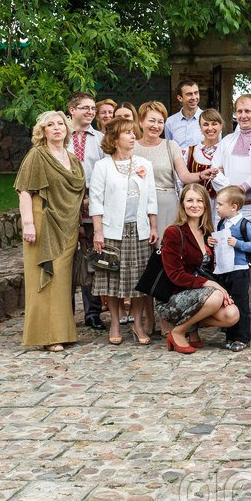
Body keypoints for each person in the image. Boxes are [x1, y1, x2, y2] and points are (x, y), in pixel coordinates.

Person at [16, 110, 84, 351]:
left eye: (60, 124)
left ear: (67, 130)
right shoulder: (37, 156)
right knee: (44, 279)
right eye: (50, 125)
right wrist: (28, 224)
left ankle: (63, 331)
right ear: (42, 131)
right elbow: (25, 191)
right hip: (42, 221)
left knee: (63, 281)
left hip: (67, 226)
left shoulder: (71, 158)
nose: (57, 128)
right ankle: (46, 335)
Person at [89, 117, 158, 346]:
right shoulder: (103, 166)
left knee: (138, 281)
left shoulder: (143, 164)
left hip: (139, 230)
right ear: (115, 138)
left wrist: (154, 226)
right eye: (127, 133)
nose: (132, 137)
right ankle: (115, 323)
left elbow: (151, 198)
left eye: (133, 132)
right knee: (113, 280)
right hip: (112, 232)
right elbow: (96, 201)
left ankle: (138, 325)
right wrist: (98, 232)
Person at [212, 96, 251, 334]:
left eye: (248, 110)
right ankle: (235, 313)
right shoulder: (226, 141)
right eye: (239, 111)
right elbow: (215, 171)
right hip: (230, 209)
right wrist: (230, 190)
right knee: (232, 260)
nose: (243, 115)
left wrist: (246, 185)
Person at [157, 183, 240, 353]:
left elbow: (209, 268)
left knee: (232, 314)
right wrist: (212, 285)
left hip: (200, 293)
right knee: (216, 296)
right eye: (189, 201)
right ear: (182, 204)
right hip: (173, 295)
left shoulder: (207, 232)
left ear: (205, 205)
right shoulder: (174, 232)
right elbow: (175, 276)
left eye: (199, 201)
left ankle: (191, 327)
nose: (195, 205)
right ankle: (178, 332)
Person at [136, 100, 212, 231]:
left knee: (165, 247)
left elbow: (184, 176)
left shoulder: (171, 146)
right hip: (137, 206)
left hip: (166, 206)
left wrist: (201, 175)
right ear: (141, 121)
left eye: (160, 122)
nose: (156, 125)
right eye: (152, 121)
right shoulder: (131, 147)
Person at [66, 92, 104, 331]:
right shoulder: (61, 136)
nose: (90, 112)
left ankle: (92, 313)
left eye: (92, 108)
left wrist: (94, 200)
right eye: (84, 108)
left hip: (92, 203)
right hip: (66, 204)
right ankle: (65, 313)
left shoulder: (100, 139)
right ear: (72, 110)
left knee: (93, 259)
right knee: (66, 261)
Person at [209, 186, 251, 351]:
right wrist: (212, 244)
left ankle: (242, 338)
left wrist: (237, 243)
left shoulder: (244, 225)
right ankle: (230, 336)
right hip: (224, 269)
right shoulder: (221, 224)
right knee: (227, 303)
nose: (216, 207)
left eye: (220, 204)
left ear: (233, 207)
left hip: (239, 269)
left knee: (240, 304)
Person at [184, 108, 225, 200]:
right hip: (196, 204)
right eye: (206, 124)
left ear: (221, 126)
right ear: (200, 127)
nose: (210, 128)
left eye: (214, 124)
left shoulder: (227, 150)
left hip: (222, 205)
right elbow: (180, 181)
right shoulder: (190, 151)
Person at [164, 79, 203, 149]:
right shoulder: (169, 122)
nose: (194, 98)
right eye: (189, 94)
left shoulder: (209, 119)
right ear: (179, 98)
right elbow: (169, 150)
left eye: (196, 93)